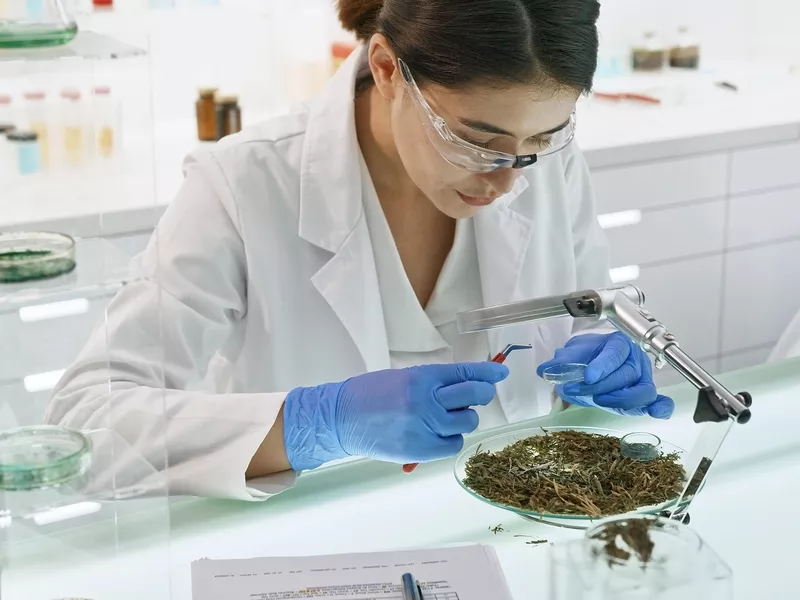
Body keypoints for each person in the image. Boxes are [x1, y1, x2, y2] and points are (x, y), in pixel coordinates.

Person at [45, 0, 674, 500]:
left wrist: (605, 367)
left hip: (511, 525)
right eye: (476, 140)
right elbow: (83, 423)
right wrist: (314, 423)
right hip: (312, 549)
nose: (509, 180)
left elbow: (593, 317)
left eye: (543, 137)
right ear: (386, 67)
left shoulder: (539, 166)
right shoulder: (242, 185)